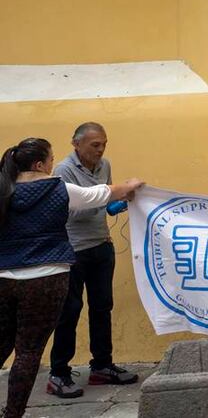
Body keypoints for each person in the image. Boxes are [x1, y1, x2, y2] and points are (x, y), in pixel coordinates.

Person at [0, 138, 141, 417]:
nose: (54, 164)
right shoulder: (59, 189)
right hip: (47, 277)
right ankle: (13, 413)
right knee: (28, 352)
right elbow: (105, 193)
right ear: (40, 164)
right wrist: (132, 185)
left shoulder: (4, 191)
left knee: (2, 342)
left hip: (4, 276)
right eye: (51, 160)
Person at [48, 123, 139, 399]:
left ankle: (101, 365)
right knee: (69, 310)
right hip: (73, 249)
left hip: (101, 246)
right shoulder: (63, 171)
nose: (100, 150)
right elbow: (71, 212)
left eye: (103, 144)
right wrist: (107, 197)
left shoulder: (105, 166)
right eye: (94, 145)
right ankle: (58, 373)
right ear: (76, 144)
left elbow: (103, 205)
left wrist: (118, 203)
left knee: (102, 307)